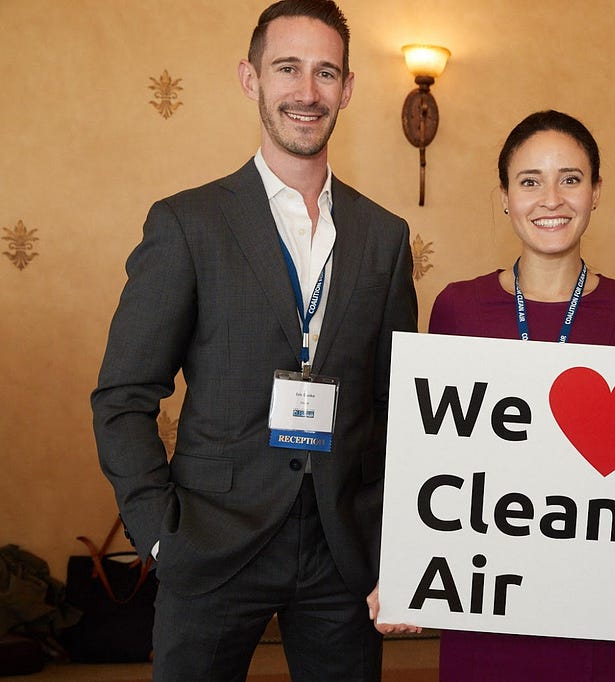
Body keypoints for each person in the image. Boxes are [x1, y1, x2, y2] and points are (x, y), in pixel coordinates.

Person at [90, 1, 417, 679]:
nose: (306, 91)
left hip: (341, 552)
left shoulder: (384, 239)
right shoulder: (187, 225)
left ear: (348, 89)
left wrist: (397, 543)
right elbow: (123, 396)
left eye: (326, 73)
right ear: (251, 78)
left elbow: (399, 408)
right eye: (287, 68)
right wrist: (158, 534)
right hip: (209, 543)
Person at [427, 109, 615, 681]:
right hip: (486, 601)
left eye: (570, 179)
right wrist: (403, 561)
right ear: (504, 196)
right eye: (530, 181)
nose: (551, 199)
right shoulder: (457, 310)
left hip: (600, 609)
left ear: (596, 193)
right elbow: (436, 459)